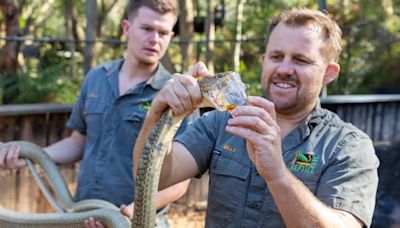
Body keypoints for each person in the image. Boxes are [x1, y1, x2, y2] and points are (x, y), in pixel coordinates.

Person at [133, 8, 379, 227]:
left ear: (329, 73)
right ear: (264, 61)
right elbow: (154, 176)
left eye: (301, 60)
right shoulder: (220, 123)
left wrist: (277, 174)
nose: (283, 69)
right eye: (276, 56)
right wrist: (157, 114)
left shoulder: (348, 146)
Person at [0, 0, 191, 227]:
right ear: (126, 28)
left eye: (163, 32)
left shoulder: (176, 95)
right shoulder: (96, 78)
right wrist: (29, 157)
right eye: (147, 29)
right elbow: (77, 143)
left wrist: (133, 211)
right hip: (84, 215)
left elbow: (181, 181)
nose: (155, 39)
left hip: (138, 221)